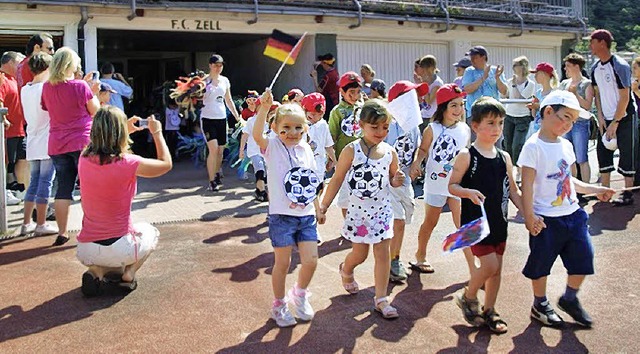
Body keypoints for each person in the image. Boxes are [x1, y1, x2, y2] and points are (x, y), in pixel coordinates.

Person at [518, 90, 615, 328]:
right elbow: (526, 185)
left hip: (573, 215)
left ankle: (569, 298)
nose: (569, 124)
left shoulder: (566, 146)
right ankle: (539, 303)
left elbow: (570, 182)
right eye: (566, 117)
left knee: (584, 259)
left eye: (573, 120)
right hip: (546, 220)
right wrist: (529, 216)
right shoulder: (533, 147)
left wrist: (594, 189)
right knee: (541, 264)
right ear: (548, 112)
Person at [319, 99, 405, 319]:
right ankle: (346, 269)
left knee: (382, 254)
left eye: (385, 127)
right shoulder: (351, 150)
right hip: (358, 213)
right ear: (362, 125)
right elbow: (337, 179)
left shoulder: (389, 152)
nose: (380, 132)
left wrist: (397, 179)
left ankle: (381, 299)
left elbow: (392, 180)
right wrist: (324, 205)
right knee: (360, 254)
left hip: (382, 212)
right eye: (374, 127)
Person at [76, 106, 172, 297]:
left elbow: (98, 145)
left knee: (104, 257)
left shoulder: (83, 158)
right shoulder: (129, 163)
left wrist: (122, 128)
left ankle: (96, 271)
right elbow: (166, 164)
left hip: (86, 249)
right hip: (121, 247)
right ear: (120, 132)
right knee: (151, 231)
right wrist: (157, 132)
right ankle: (129, 273)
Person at [449, 97, 523, 334]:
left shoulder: (505, 157)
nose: (497, 129)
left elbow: (513, 189)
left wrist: (528, 213)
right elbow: (452, 186)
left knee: (497, 269)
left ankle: (489, 310)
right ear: (475, 125)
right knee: (489, 265)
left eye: (500, 123)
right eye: (490, 123)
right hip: (475, 224)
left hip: (499, 222)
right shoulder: (466, 155)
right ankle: (468, 296)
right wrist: (467, 192)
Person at [252, 90, 325, 328]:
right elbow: (256, 135)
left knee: (311, 260)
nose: (292, 133)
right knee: (282, 264)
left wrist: (318, 207)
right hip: (281, 217)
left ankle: (300, 293)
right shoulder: (272, 146)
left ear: (305, 128)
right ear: (275, 128)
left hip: (306, 216)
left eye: (297, 128)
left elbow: (311, 180)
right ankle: (279, 304)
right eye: (286, 128)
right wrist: (263, 108)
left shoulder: (306, 150)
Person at [409, 84, 474, 275]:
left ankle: (473, 267)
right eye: (453, 105)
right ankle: (420, 255)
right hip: (436, 183)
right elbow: (422, 150)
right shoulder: (433, 128)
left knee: (463, 223)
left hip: (457, 184)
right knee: (430, 222)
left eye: (461, 105)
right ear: (443, 106)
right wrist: (416, 163)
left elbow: (467, 154)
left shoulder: (464, 129)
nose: (458, 110)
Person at [41, 47, 100, 246]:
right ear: (70, 65)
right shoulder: (80, 86)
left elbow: (47, 107)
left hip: (57, 142)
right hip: (82, 141)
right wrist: (92, 92)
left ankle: (62, 231)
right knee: (89, 188)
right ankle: (91, 229)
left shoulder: (47, 87)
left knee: (63, 188)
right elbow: (96, 111)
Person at [590, 29, 638, 204]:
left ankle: (628, 193)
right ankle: (605, 191)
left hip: (625, 116)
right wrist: (601, 117)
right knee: (602, 152)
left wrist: (615, 122)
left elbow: (625, 96)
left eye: (592, 42)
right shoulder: (595, 68)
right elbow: (597, 94)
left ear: (602, 43)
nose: (590, 46)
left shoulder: (620, 65)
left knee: (627, 153)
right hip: (607, 117)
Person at [385, 81, 422, 282]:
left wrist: (416, 163)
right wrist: (391, 174)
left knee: (402, 221)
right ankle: (393, 260)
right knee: (397, 221)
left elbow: (416, 147)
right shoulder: (388, 124)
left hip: (405, 182)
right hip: (387, 184)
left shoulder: (414, 125)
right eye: (411, 97)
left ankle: (392, 256)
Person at [19, 52, 58, 237]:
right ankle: (41, 224)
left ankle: (26, 223)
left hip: (33, 139)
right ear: (48, 68)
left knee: (34, 182)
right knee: (45, 182)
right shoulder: (47, 88)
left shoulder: (25, 89)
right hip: (48, 140)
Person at [200, 54, 241, 192]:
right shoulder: (204, 81)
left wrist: (237, 116)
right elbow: (196, 99)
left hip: (221, 118)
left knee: (220, 150)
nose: (218, 68)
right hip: (207, 118)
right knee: (213, 148)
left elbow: (228, 100)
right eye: (216, 65)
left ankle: (217, 172)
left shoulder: (225, 81)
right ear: (210, 65)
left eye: (220, 65)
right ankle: (211, 181)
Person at [328, 71, 364, 217]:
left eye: (358, 92)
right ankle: (348, 224)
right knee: (345, 195)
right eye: (351, 92)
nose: (355, 96)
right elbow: (332, 137)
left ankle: (360, 222)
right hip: (343, 159)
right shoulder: (337, 111)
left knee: (362, 192)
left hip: (362, 158)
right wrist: (331, 159)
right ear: (341, 91)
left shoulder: (362, 108)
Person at [559, 53, 594, 187]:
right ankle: (571, 187)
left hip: (580, 123)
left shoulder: (586, 84)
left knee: (581, 157)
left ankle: (586, 186)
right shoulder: (564, 84)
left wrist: (575, 95)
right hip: (565, 123)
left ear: (576, 66)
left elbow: (587, 105)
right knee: (568, 158)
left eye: (568, 66)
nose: (565, 69)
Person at [503, 56, 536, 184]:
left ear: (523, 67)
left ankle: (519, 171)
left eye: (516, 65)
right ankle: (509, 171)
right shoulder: (510, 81)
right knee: (508, 145)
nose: (513, 68)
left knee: (518, 145)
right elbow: (505, 95)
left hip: (522, 118)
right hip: (509, 116)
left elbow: (519, 97)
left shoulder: (530, 84)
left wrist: (514, 84)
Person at [0, 51, 28, 199]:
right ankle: (5, 192)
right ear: (10, 62)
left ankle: (19, 190)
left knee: (21, 159)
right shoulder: (2, 78)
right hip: (7, 131)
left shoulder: (15, 80)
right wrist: (4, 119)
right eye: (19, 62)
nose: (21, 66)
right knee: (6, 162)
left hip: (19, 130)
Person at [240, 100, 280, 202]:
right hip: (254, 151)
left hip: (266, 152)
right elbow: (244, 136)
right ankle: (262, 191)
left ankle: (259, 190)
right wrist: (241, 151)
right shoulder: (251, 121)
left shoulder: (271, 123)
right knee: (260, 169)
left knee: (266, 172)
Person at [461, 46, 507, 117]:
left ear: (483, 57)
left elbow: (504, 92)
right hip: (474, 113)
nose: (472, 60)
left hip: (493, 112)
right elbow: (467, 90)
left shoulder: (495, 70)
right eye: (471, 58)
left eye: (475, 57)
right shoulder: (469, 71)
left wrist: (497, 78)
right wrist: (483, 78)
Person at [302, 92, 336, 186]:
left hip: (319, 165)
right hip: (303, 165)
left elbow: (328, 146)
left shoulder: (323, 125)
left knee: (320, 189)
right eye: (312, 114)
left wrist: (334, 161)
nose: (315, 117)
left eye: (319, 115)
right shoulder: (299, 125)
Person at [527, 62, 558, 137]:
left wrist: (539, 106)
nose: (535, 77)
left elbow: (554, 112)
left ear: (543, 74)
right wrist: (533, 107)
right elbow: (534, 115)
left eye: (537, 74)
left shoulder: (554, 94)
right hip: (536, 128)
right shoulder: (538, 93)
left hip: (548, 129)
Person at [414, 55, 444, 132]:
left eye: (425, 69)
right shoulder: (425, 79)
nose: (423, 71)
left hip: (432, 117)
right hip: (422, 115)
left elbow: (429, 101)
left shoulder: (437, 83)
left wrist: (423, 85)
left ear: (431, 68)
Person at [311, 53, 339, 119]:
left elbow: (319, 91)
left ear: (325, 64)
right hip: (335, 101)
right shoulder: (335, 72)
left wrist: (315, 77)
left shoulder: (328, 76)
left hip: (329, 103)